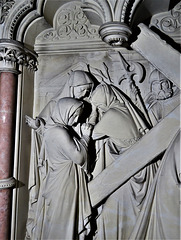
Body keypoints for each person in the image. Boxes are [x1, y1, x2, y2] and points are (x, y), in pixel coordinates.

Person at [29, 97, 93, 239]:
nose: (76, 120)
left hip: (61, 181)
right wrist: (86, 138)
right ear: (65, 112)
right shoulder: (59, 132)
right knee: (63, 225)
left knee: (61, 223)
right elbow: (79, 157)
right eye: (74, 115)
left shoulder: (53, 129)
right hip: (64, 184)